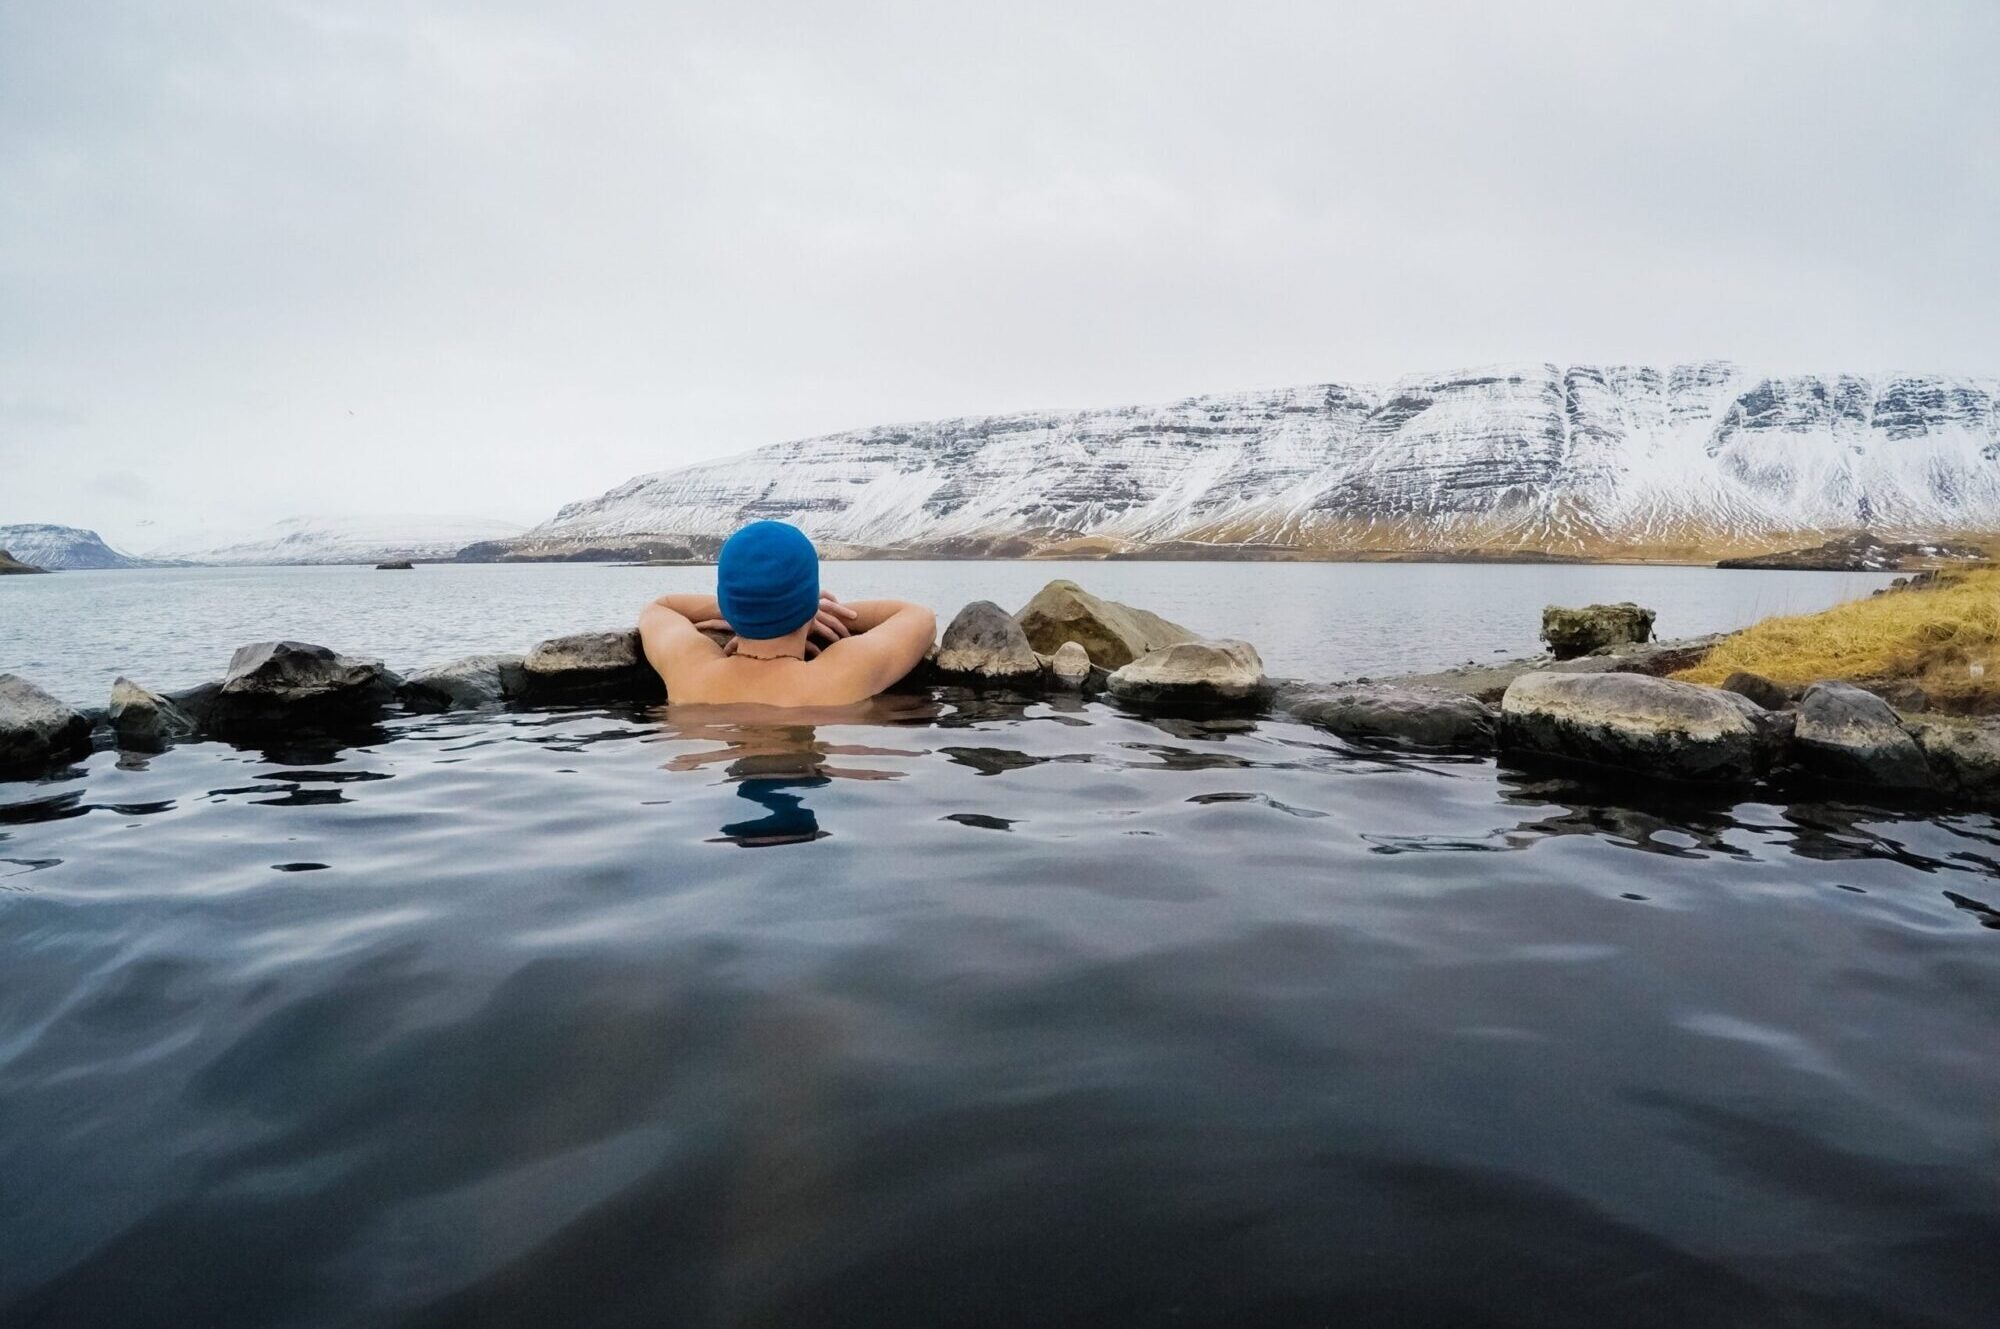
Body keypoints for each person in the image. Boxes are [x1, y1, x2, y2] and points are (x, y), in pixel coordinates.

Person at [638, 520, 936, 706]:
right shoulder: (842, 676)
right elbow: (918, 616)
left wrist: (746, 604)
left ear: (728, 603)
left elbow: (660, 607)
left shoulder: (689, 672)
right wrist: (803, 607)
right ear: (808, 603)